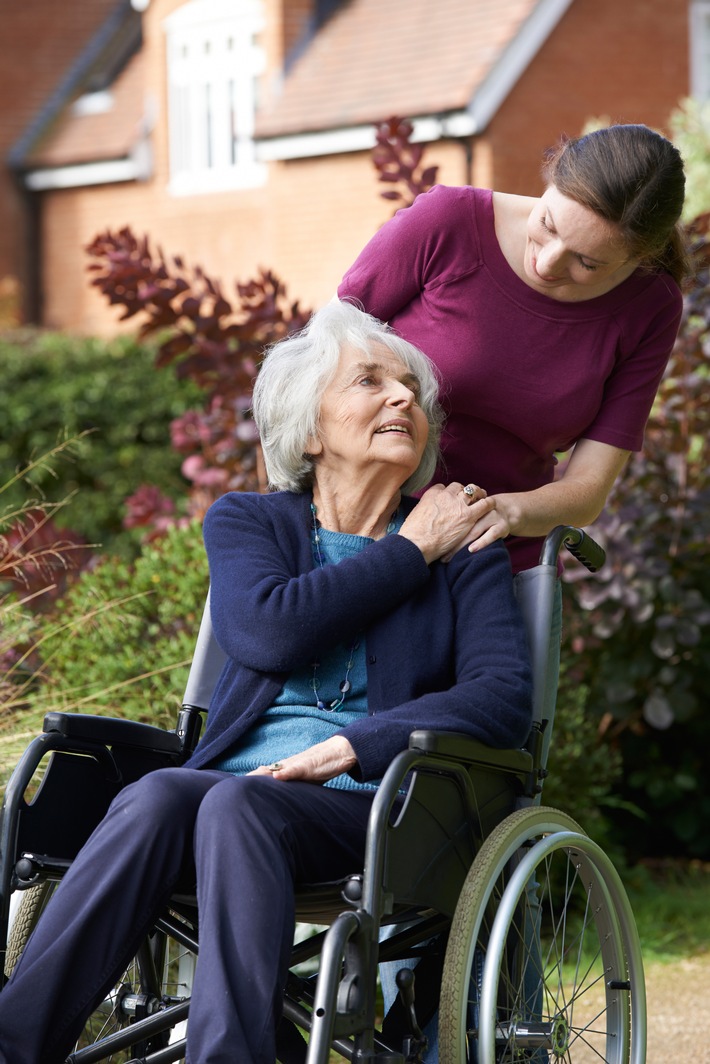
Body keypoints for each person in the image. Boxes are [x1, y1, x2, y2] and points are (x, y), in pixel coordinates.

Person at [0, 301, 533, 1064]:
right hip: (232, 796)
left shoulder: (467, 548)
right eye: (371, 382)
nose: (403, 398)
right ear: (311, 432)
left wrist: (355, 743)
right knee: (158, 794)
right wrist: (410, 551)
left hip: (381, 809)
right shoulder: (250, 523)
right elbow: (268, 630)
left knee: (235, 802)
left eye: (411, 388)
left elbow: (501, 697)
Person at [338, 123, 691, 575]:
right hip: (355, 534)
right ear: (551, 179)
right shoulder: (449, 220)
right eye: (547, 224)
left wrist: (505, 514)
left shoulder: (651, 306)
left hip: (497, 561)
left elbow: (587, 489)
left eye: (587, 262)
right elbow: (315, 367)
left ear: (640, 257)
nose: (547, 263)